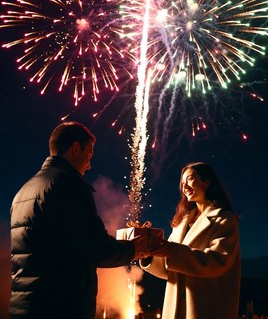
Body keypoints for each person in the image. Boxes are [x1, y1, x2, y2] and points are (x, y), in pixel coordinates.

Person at [9, 121, 157, 319]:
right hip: (60, 307)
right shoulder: (68, 184)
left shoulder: (23, 192)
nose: (89, 165)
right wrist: (133, 249)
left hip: (24, 307)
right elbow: (94, 247)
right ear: (76, 149)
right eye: (89, 155)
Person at [140, 162, 240, 319]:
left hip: (205, 308)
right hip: (175, 307)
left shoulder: (225, 219)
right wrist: (149, 253)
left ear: (206, 182)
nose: (184, 185)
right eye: (182, 182)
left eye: (190, 179)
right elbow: (171, 266)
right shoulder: (181, 223)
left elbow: (217, 261)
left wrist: (170, 250)